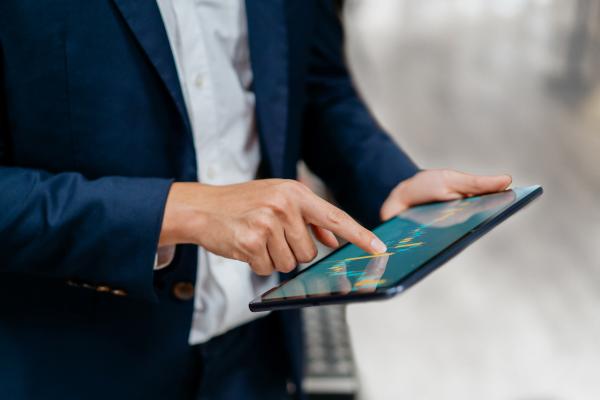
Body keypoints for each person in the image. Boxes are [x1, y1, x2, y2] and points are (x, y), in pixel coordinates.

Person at [0, 1, 511, 399]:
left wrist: (386, 180)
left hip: (258, 352)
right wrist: (178, 211)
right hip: (73, 362)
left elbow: (314, 83)